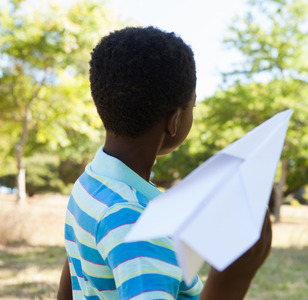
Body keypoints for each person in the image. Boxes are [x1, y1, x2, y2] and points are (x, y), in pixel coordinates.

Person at [57, 26, 272, 300]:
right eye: (192, 106)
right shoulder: (140, 227)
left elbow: (75, 271)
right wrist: (232, 278)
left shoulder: (92, 182)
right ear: (173, 121)